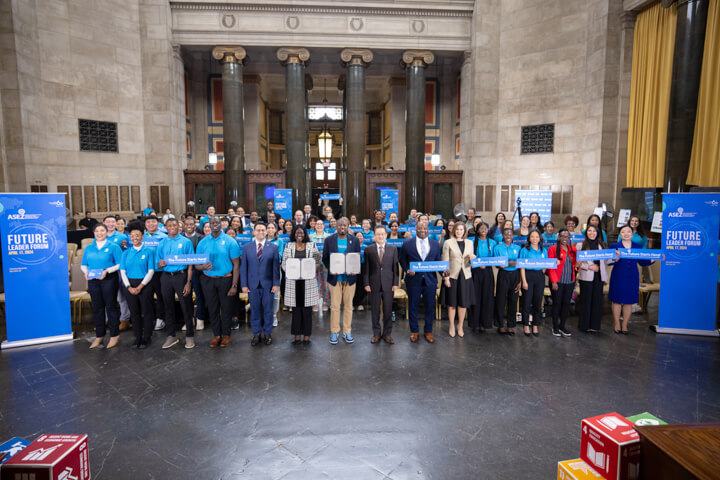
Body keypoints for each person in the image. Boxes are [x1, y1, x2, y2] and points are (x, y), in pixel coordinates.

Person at [195, 216, 241, 348]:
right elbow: (197, 265)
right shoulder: (203, 242)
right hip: (208, 280)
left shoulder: (230, 241)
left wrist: (234, 285)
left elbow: (236, 265)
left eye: (217, 223)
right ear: (208, 225)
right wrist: (202, 267)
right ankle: (216, 335)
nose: (214, 225)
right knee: (212, 308)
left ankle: (226, 335)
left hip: (226, 279)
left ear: (221, 225)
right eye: (212, 223)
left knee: (226, 309)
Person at [608, 224, 656, 334]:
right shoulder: (614, 246)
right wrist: (615, 258)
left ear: (632, 233)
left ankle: (624, 324)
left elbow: (642, 261)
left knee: (628, 302)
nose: (626, 234)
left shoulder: (637, 247)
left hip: (632, 276)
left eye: (628, 231)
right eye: (623, 232)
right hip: (618, 275)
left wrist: (653, 260)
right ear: (620, 234)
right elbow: (609, 262)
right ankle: (616, 323)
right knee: (617, 300)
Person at [156, 218, 196, 349]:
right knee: (168, 306)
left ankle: (190, 336)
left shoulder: (186, 242)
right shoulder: (161, 243)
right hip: (166, 277)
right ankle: (171, 335)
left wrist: (188, 282)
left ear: (179, 227)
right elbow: (158, 262)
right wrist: (160, 263)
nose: (172, 227)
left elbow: (190, 264)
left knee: (186, 306)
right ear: (166, 228)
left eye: (174, 225)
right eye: (169, 225)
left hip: (181, 276)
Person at [399, 222, 442, 343]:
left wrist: (443, 272)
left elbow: (437, 261)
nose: (422, 230)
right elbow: (402, 260)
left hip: (430, 280)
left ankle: (428, 332)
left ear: (428, 230)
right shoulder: (407, 244)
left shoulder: (435, 244)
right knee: (413, 306)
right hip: (413, 281)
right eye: (420, 228)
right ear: (415, 229)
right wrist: (407, 270)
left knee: (430, 307)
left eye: (425, 228)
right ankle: (414, 332)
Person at [81, 223, 123, 349]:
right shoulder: (89, 248)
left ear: (106, 232)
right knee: (98, 308)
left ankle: (114, 335)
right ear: (93, 233)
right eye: (97, 231)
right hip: (93, 280)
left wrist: (107, 271)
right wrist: (86, 272)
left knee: (110, 307)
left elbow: (120, 264)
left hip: (109, 279)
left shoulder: (113, 247)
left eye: (102, 231)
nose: (99, 233)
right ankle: (99, 336)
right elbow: (83, 264)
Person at [322, 217, 361, 344]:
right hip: (335, 278)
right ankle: (334, 332)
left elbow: (357, 257)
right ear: (336, 227)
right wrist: (331, 268)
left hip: (350, 278)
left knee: (349, 306)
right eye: (340, 225)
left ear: (348, 226)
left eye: (345, 225)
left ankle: (347, 331)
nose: (342, 227)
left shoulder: (354, 240)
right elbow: (325, 258)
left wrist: (354, 268)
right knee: (334, 306)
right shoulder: (329, 240)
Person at [241, 223, 281, 346]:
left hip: (268, 284)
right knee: (255, 310)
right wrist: (244, 285)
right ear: (254, 232)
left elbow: (275, 268)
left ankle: (268, 333)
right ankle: (256, 334)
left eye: (263, 230)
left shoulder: (273, 247)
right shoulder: (247, 247)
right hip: (252, 285)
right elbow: (244, 268)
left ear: (266, 232)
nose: (261, 232)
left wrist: (276, 284)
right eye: (258, 230)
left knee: (268, 310)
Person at [282, 225, 320, 345]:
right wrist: (291, 271)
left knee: (307, 311)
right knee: (296, 310)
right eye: (297, 233)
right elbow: (284, 263)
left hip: (308, 281)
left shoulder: (312, 245)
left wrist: (311, 269)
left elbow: (318, 261)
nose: (300, 235)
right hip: (293, 282)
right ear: (293, 234)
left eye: (302, 233)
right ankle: (297, 335)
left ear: (305, 234)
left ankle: (307, 335)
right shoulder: (288, 246)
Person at [120, 223, 155, 349]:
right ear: (129, 237)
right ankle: (137, 337)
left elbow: (151, 270)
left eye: (137, 235)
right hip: (129, 284)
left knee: (147, 311)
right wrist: (129, 287)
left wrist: (140, 286)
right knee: (134, 312)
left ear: (142, 236)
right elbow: (122, 272)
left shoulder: (149, 251)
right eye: (132, 235)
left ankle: (147, 337)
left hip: (145, 284)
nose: (134, 238)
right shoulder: (126, 253)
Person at [363, 225, 399, 344]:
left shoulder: (393, 249)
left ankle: (387, 334)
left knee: (388, 310)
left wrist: (395, 283)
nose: (380, 236)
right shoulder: (368, 250)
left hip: (389, 285)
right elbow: (366, 269)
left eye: (382, 234)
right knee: (375, 310)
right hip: (374, 284)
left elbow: (395, 268)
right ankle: (376, 333)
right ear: (374, 236)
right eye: (378, 234)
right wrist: (366, 283)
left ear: (386, 235)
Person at [441, 222, 476, 337]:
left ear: (464, 231)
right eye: (457, 229)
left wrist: (471, 259)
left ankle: (460, 326)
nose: (459, 231)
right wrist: (446, 278)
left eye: (461, 229)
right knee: (452, 303)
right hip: (453, 276)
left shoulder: (470, 243)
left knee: (463, 303)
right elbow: (445, 261)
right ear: (454, 230)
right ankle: (451, 325)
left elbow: (468, 263)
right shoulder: (448, 242)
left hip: (465, 276)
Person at [576, 225, 608, 333]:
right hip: (586, 277)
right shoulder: (580, 245)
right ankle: (584, 325)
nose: (592, 233)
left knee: (597, 302)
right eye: (589, 231)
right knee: (586, 301)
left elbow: (607, 261)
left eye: (594, 231)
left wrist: (615, 257)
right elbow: (577, 264)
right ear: (586, 233)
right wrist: (589, 267)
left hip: (599, 277)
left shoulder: (602, 245)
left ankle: (594, 325)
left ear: (598, 233)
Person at [547, 229, 576, 337]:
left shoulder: (573, 249)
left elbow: (575, 264)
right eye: (563, 236)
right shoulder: (553, 249)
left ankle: (562, 326)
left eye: (567, 237)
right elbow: (551, 267)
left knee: (566, 304)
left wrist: (579, 264)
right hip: (557, 282)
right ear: (558, 237)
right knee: (557, 304)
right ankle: (555, 327)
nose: (565, 239)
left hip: (570, 281)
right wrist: (554, 281)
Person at [103, 215, 130, 330]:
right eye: (108, 222)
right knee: (107, 297)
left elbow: (128, 251)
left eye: (113, 222)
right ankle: (107, 320)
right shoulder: (100, 235)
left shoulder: (122, 236)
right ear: (104, 223)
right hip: (105, 270)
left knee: (122, 295)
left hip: (119, 270)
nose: (110, 224)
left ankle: (125, 319)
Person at [493, 228, 522, 335]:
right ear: (503, 236)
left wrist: (520, 281)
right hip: (503, 275)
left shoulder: (518, 248)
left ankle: (510, 325)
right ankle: (500, 325)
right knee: (500, 300)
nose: (508, 236)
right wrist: (509, 263)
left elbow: (520, 265)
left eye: (510, 234)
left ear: (513, 236)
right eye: (506, 234)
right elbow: (497, 264)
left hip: (515, 276)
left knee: (513, 301)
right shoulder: (498, 248)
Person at [469, 222, 496, 333]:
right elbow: (468, 255)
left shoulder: (493, 242)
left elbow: (495, 258)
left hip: (488, 272)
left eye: (485, 228)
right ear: (477, 229)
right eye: (481, 228)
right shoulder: (471, 241)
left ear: (488, 229)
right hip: (475, 272)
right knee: (475, 297)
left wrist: (487, 263)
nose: (484, 230)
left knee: (487, 297)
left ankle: (484, 323)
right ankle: (474, 323)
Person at [519, 230, 547, 336]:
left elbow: (545, 265)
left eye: (537, 237)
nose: (535, 239)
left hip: (539, 276)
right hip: (528, 276)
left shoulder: (543, 250)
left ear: (540, 238)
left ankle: (535, 324)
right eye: (532, 237)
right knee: (526, 302)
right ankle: (526, 325)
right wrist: (524, 281)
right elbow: (521, 267)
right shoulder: (524, 250)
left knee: (537, 302)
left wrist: (541, 274)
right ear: (529, 238)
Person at [143, 215, 168, 330]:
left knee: (160, 296)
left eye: (153, 222)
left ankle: (160, 318)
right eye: (148, 222)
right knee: (146, 297)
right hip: (145, 271)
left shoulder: (164, 237)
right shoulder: (141, 237)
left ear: (158, 224)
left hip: (159, 272)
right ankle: (149, 318)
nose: (151, 224)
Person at [182, 215, 207, 330]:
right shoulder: (179, 237)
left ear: (195, 225)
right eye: (186, 224)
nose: (189, 226)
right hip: (183, 271)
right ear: (183, 226)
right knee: (185, 296)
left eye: (191, 224)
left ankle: (200, 319)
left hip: (197, 271)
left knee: (199, 295)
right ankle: (188, 320)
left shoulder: (201, 238)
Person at [309, 218, 330, 311]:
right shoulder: (310, 237)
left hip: (325, 263)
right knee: (314, 282)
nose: (319, 226)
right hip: (314, 262)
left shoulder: (328, 236)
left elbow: (330, 250)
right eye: (317, 224)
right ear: (314, 226)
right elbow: (309, 250)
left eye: (321, 224)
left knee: (325, 282)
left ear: (324, 226)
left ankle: (325, 302)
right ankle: (315, 302)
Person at [266, 222, 285, 327]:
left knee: (276, 295)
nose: (270, 230)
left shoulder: (279, 241)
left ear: (276, 230)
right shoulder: (261, 240)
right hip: (263, 271)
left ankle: (274, 315)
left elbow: (280, 255)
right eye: (268, 227)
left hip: (275, 270)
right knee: (265, 294)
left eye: (272, 228)